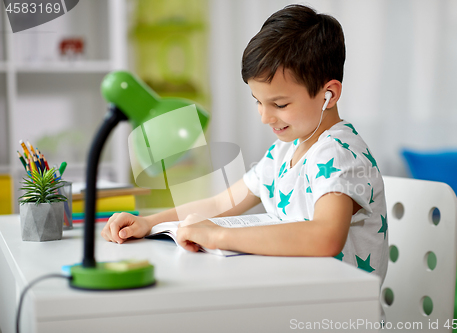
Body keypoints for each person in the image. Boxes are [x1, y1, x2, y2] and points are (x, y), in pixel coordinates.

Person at [101, 4, 388, 281]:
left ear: (329, 94)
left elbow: (325, 237)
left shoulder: (339, 154)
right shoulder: (284, 150)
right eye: (258, 102)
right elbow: (220, 202)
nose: (265, 117)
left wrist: (218, 236)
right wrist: (151, 222)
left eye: (280, 104)